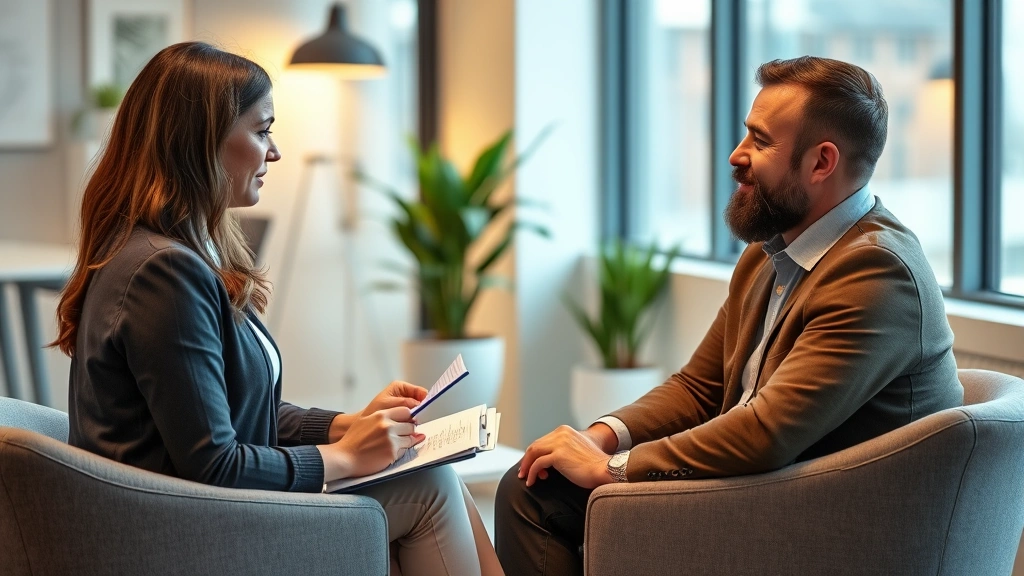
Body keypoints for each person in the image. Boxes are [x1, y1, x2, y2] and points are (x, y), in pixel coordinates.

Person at [494, 55, 964, 575]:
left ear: (821, 163)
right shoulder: (772, 253)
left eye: (760, 142)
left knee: (538, 498)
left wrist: (612, 469)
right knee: (534, 482)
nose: (736, 155)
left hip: (827, 527)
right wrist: (599, 437)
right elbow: (698, 387)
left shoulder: (876, 272)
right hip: (761, 492)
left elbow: (766, 433)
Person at [54, 41, 503, 576]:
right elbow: (215, 462)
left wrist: (345, 426)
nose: (275, 152)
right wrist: (345, 457)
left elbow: (234, 412)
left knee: (431, 476)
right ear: (202, 140)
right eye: (262, 130)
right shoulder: (164, 272)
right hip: (184, 531)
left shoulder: (167, 251)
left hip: (183, 510)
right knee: (428, 485)